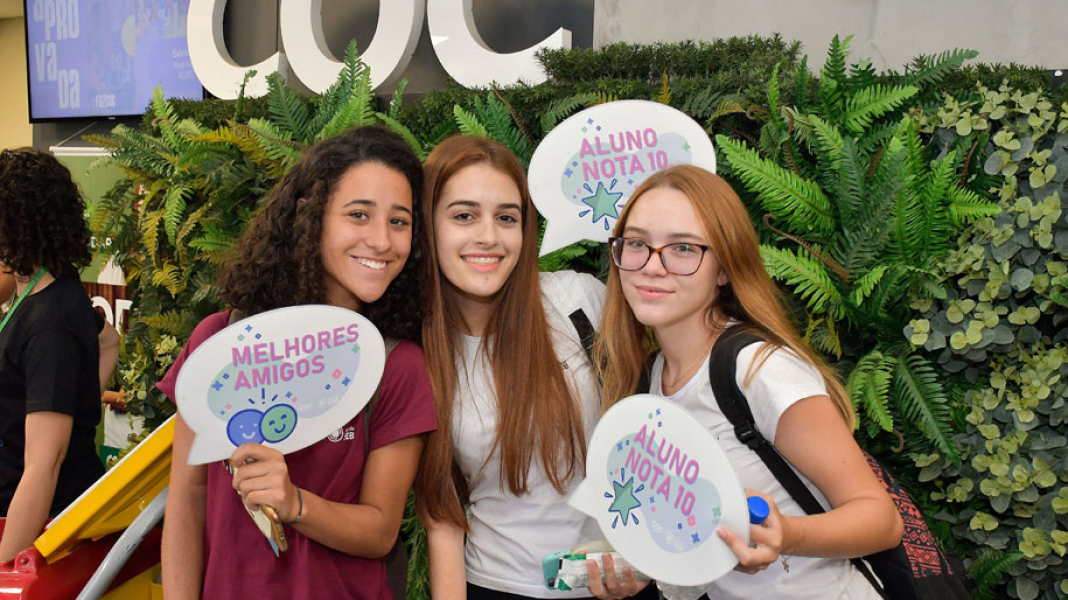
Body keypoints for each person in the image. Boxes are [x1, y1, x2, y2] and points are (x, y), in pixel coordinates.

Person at [595, 165, 903, 600]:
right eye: (638, 244)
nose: (652, 266)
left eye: (683, 248)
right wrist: (643, 573)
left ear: (724, 268)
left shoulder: (759, 369)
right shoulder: (650, 381)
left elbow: (882, 521)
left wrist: (788, 534)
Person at [159, 126, 436, 600]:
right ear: (310, 218)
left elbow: (380, 531)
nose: (381, 241)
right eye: (358, 215)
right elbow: (186, 502)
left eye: (399, 221)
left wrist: (295, 503)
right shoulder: (221, 344)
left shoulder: (398, 366)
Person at [415, 135, 651, 600]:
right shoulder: (415, 353)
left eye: (507, 217)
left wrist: (651, 556)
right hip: (497, 585)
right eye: (464, 215)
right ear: (428, 227)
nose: (488, 236)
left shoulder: (577, 301)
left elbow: (654, 433)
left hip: (620, 581)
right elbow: (441, 513)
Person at [0, 148, 105, 563]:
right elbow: (109, 340)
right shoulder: (42, 293)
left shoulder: (50, 321)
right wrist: (74, 401)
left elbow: (46, 462)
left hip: (40, 529)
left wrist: (7, 567)